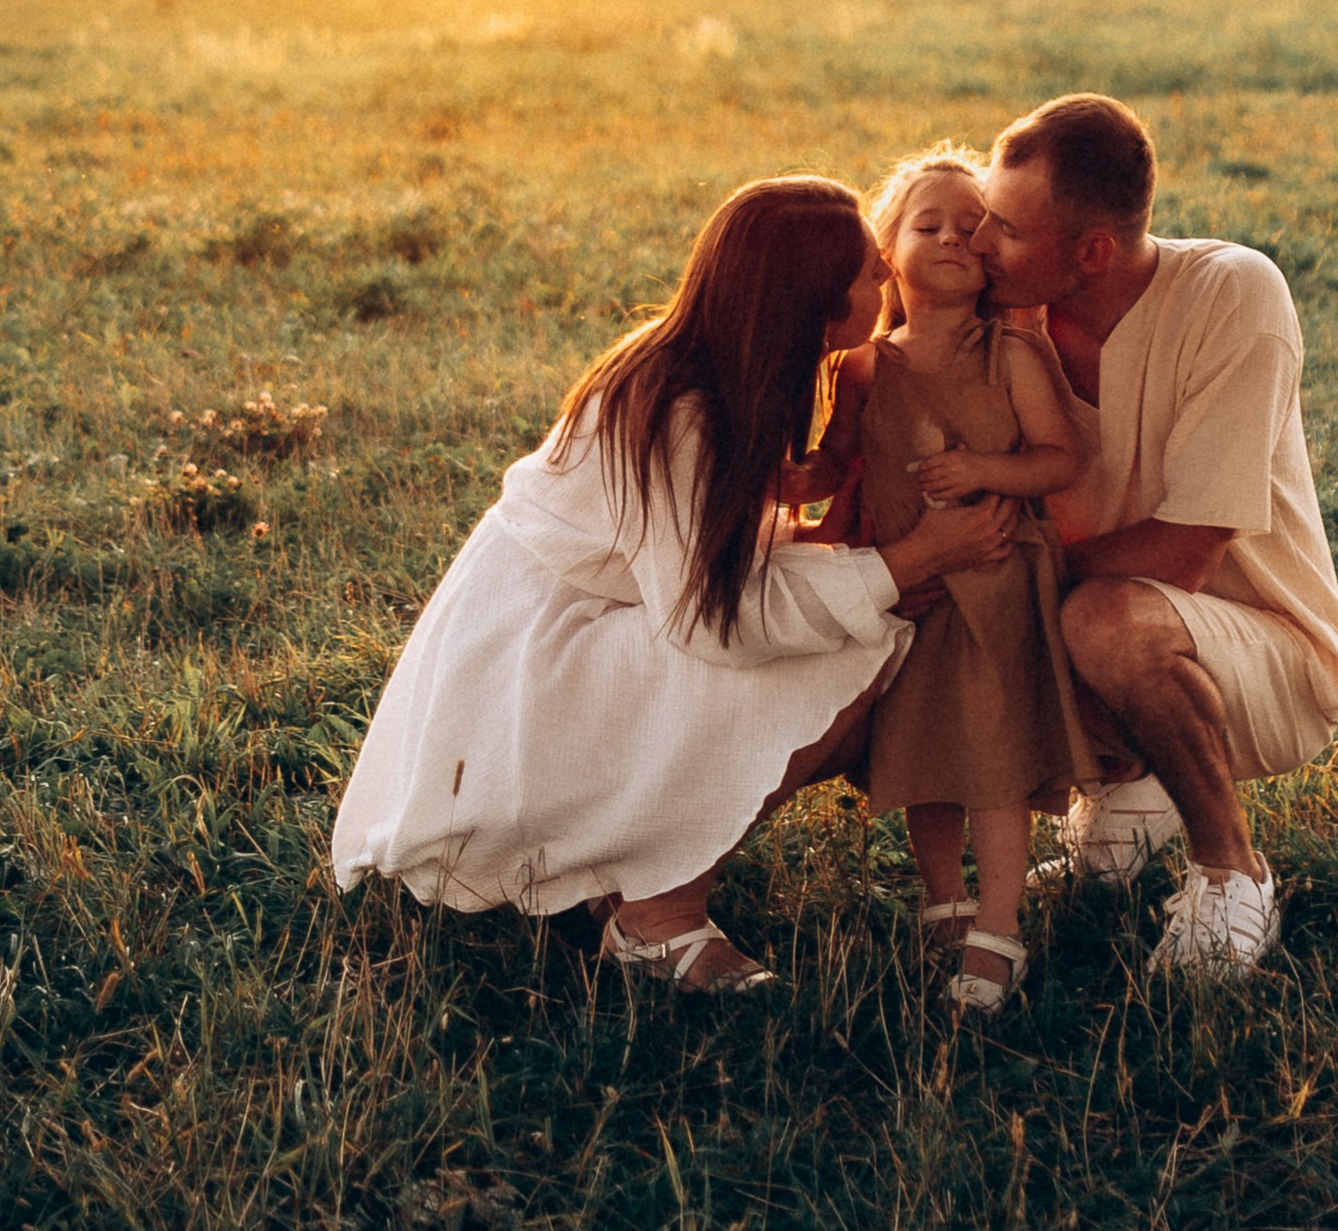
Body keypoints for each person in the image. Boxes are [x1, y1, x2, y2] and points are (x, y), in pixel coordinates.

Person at [330, 176, 1015, 992]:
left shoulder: (712, 370)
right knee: (853, 648)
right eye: (870, 273)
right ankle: (657, 914)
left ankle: (625, 866)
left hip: (581, 632)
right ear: (814, 306)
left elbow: (707, 556)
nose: (885, 284)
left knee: (855, 614)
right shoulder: (674, 407)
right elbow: (711, 619)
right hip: (525, 683)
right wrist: (913, 559)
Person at [974, 93, 1338, 977]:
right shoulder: (1004, 322)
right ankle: (1131, 796)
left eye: (1009, 232)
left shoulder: (1234, 293)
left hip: (1266, 649)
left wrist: (1004, 576)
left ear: (1093, 252)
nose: (982, 245)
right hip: (1099, 618)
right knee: (1021, 611)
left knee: (1104, 619)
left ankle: (1232, 875)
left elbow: (1187, 554)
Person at [815, 144, 1103, 1014]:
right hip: (906, 590)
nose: (948, 238)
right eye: (925, 224)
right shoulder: (866, 369)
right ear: (886, 250)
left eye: (969, 227)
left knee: (991, 759)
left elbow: (1061, 458)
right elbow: (836, 467)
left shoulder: (1010, 353)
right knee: (921, 749)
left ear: (990, 256)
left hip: (994, 581)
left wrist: (984, 466)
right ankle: (944, 899)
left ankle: (999, 928)